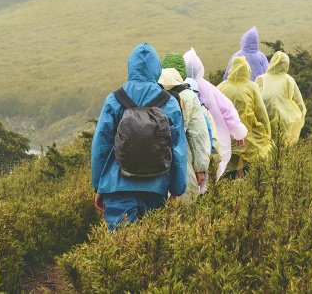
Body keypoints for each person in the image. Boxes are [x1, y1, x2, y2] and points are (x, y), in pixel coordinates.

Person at [91, 43, 187, 230]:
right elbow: (178, 150)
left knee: (121, 247)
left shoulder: (114, 99)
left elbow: (100, 145)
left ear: (130, 67)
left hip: (117, 187)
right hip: (156, 186)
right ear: (156, 69)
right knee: (151, 247)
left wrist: (99, 186)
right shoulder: (169, 103)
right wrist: (177, 189)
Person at [183, 48, 248, 181]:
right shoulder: (208, 88)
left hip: (188, 144)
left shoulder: (178, 87)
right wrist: (238, 133)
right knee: (210, 180)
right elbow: (227, 111)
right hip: (215, 141)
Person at [158, 67, 211, 202]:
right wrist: (201, 168)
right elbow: (198, 135)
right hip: (182, 170)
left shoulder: (148, 95)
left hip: (150, 176)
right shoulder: (189, 96)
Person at [217, 56, 273, 177]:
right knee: (251, 169)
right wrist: (267, 134)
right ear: (247, 70)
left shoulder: (221, 87)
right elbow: (261, 113)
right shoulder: (251, 87)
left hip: (226, 138)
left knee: (228, 171)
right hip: (249, 138)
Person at [256, 51, 307, 147]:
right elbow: (299, 103)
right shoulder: (288, 79)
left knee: (269, 146)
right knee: (285, 147)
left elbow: (255, 100)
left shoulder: (261, 78)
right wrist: (301, 118)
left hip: (266, 118)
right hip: (287, 119)